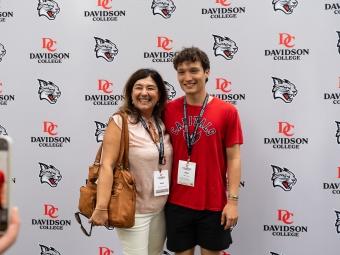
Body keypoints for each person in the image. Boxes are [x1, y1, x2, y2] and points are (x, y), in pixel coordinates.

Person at [163, 47, 243, 255]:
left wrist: (232, 201)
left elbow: (234, 158)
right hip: (176, 203)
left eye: (194, 70)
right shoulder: (167, 110)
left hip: (214, 204)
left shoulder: (227, 111)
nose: (187, 77)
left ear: (207, 72)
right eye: (181, 72)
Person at [90, 68, 173, 255]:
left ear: (159, 95)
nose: (144, 93)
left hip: (160, 210)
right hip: (133, 210)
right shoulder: (120, 121)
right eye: (139, 87)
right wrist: (101, 207)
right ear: (130, 93)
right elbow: (106, 166)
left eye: (151, 88)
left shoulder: (160, 123)